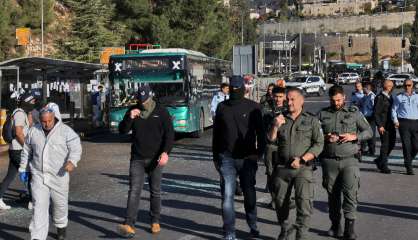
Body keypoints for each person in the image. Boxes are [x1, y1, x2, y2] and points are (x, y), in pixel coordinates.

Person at [117, 85, 174, 238]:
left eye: (146, 100)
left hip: (156, 158)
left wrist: (165, 153)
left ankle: (155, 220)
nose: (143, 103)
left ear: (151, 97)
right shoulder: (133, 110)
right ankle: (129, 224)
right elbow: (122, 130)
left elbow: (169, 135)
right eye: (141, 101)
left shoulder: (161, 112)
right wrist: (130, 118)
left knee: (155, 191)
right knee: (134, 190)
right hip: (137, 158)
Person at [212, 75, 265, 240]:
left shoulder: (254, 108)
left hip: (248, 158)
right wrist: (215, 157)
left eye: (237, 88)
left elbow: (261, 134)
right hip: (226, 158)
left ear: (243, 88)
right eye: (232, 88)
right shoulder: (221, 107)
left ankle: (253, 224)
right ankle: (229, 231)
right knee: (227, 196)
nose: (235, 91)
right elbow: (216, 134)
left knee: (249, 194)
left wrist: (259, 154)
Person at [19, 102, 82, 240]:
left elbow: (76, 147)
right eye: (44, 121)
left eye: (49, 121)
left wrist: (72, 161)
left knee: (60, 205)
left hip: (59, 175)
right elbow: (26, 150)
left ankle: (61, 226)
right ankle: (37, 236)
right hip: (39, 175)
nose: (47, 124)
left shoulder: (65, 131)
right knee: (39, 206)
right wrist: (23, 168)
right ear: (40, 120)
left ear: (54, 117)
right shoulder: (34, 131)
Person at [268, 88, 324, 240]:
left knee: (303, 204)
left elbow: (319, 144)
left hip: (303, 168)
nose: (289, 102)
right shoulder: (280, 118)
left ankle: (301, 235)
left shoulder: (311, 120)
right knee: (280, 203)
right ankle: (285, 227)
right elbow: (271, 140)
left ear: (301, 101)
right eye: (288, 99)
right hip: (282, 168)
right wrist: (275, 126)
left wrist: (303, 159)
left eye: (293, 99)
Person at [318, 85, 372, 240]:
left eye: (339, 100)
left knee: (350, 193)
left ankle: (350, 228)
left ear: (344, 98)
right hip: (329, 162)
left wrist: (354, 137)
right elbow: (313, 135)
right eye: (333, 100)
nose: (336, 103)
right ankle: (335, 226)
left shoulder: (354, 113)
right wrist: (326, 138)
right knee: (332, 195)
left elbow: (368, 132)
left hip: (350, 161)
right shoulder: (322, 114)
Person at [0, 92, 35, 210]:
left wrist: (29, 113)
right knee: (30, 173)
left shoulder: (23, 113)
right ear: (26, 102)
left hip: (16, 149)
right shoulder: (19, 114)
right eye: (32, 102)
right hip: (19, 150)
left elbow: (30, 126)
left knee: (10, 175)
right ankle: (32, 200)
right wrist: (27, 147)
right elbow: (19, 132)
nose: (33, 104)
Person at [262, 86, 287, 208]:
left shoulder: (289, 108)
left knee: (285, 172)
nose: (278, 99)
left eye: (280, 96)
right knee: (271, 173)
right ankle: (274, 199)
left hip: (286, 145)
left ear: (285, 96)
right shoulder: (266, 107)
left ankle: (284, 198)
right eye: (276, 96)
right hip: (271, 145)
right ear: (272, 96)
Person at [391, 79, 418, 175]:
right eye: (406, 85)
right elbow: (394, 110)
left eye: (409, 85)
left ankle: (408, 160)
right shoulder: (399, 97)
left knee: (416, 146)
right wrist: (395, 121)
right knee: (406, 146)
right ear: (403, 86)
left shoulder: (417, 96)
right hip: (404, 123)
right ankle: (409, 167)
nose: (407, 87)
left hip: (415, 123)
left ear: (413, 85)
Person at [373, 80, 396, 174]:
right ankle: (384, 166)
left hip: (390, 124)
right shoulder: (380, 97)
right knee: (385, 145)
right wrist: (380, 125)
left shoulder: (390, 96)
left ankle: (379, 160)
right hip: (383, 125)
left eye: (392, 86)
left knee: (392, 144)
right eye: (391, 86)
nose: (392, 87)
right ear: (386, 86)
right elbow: (376, 113)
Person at [359, 82, 376, 156]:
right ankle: (363, 149)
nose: (363, 89)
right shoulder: (365, 96)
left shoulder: (372, 97)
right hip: (364, 118)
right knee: (364, 133)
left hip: (370, 118)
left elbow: (375, 107)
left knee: (371, 135)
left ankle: (372, 150)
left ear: (368, 88)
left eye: (364, 88)